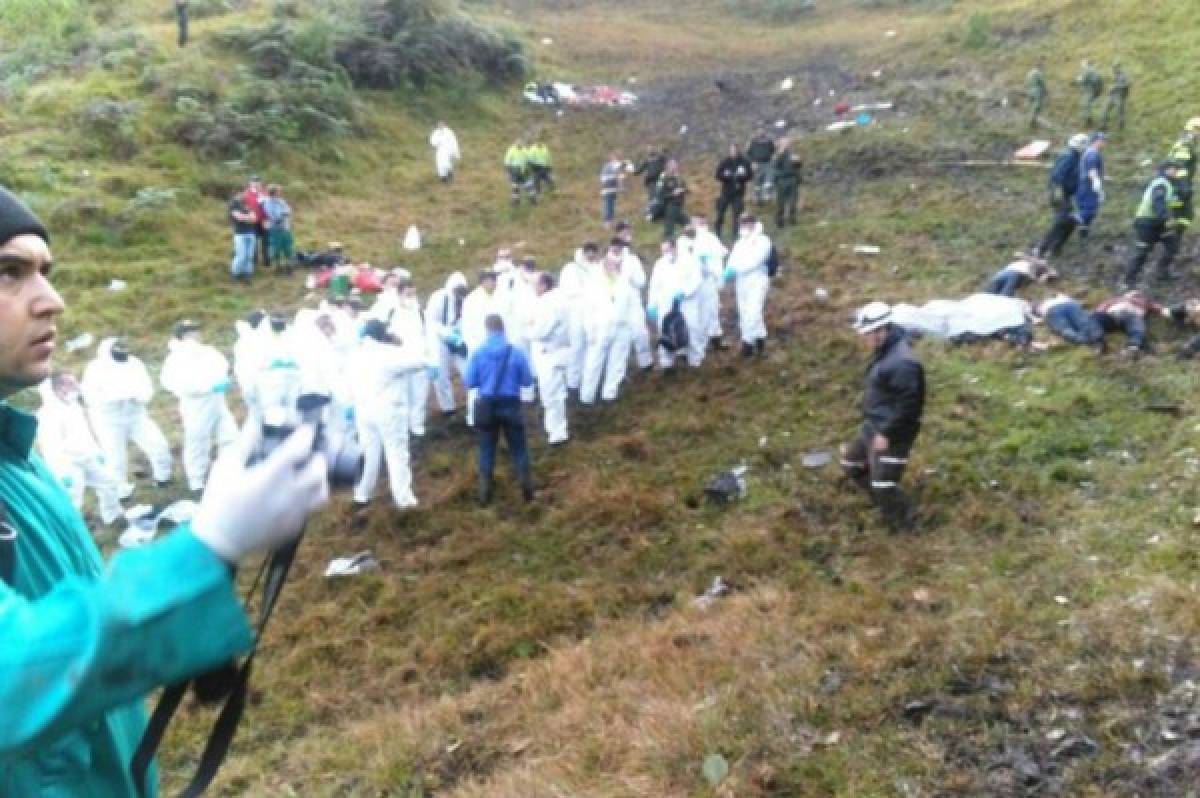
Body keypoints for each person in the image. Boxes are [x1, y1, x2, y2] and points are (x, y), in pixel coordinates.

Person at [0, 186, 329, 796]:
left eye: (45, 271)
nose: (52, 300)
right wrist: (208, 546)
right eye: (10, 272)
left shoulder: (17, 457)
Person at [841, 301, 925, 532]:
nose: (865, 338)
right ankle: (884, 503)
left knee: (884, 483)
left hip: (892, 433)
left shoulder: (903, 362)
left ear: (882, 331)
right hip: (873, 426)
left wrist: (887, 433)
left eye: (868, 333)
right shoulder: (885, 351)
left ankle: (906, 525)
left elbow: (910, 406)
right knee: (851, 464)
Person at [81, 337, 173, 496]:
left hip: (136, 415)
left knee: (159, 446)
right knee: (115, 459)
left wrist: (139, 396)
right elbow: (90, 397)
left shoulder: (134, 363)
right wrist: (118, 396)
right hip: (108, 421)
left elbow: (147, 388)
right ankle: (120, 491)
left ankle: (163, 478)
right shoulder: (95, 368)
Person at [351, 319, 424, 509]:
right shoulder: (388, 354)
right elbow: (419, 361)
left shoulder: (356, 354)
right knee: (397, 453)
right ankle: (404, 500)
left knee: (369, 454)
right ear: (383, 335)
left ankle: (362, 494)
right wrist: (400, 344)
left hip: (363, 410)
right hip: (388, 411)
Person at [159, 320, 238, 494]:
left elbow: (222, 366)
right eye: (192, 332)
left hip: (217, 402)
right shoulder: (175, 359)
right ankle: (197, 481)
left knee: (230, 437)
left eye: (197, 331)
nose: (197, 335)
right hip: (196, 407)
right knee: (198, 442)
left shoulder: (208, 352)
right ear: (183, 337)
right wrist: (209, 386)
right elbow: (176, 384)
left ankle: (228, 473)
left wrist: (223, 379)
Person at [36, 373, 124, 526]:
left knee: (109, 482)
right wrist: (61, 471)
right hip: (68, 464)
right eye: (70, 383)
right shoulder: (48, 414)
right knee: (73, 499)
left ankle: (113, 516)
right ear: (58, 388)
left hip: (88, 457)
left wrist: (97, 452)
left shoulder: (74, 406)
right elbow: (51, 446)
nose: (76, 386)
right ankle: (73, 530)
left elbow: (84, 433)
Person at [465, 314, 535, 504]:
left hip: (487, 405)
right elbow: (528, 381)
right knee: (519, 449)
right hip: (511, 404)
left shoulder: (478, 353)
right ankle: (527, 490)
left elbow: (469, 382)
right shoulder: (517, 352)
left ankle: (484, 495)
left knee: (486, 449)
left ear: (487, 330)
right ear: (503, 329)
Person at [580, 251, 639, 404]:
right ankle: (587, 396)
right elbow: (587, 308)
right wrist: (589, 331)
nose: (617, 266)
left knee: (617, 362)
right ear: (606, 264)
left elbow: (632, 306)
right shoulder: (593, 282)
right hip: (600, 327)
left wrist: (632, 327)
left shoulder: (624, 281)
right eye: (614, 264)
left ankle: (609, 394)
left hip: (621, 327)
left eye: (619, 264)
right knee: (593, 362)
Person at [1123, 161, 1187, 287]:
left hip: (1159, 223)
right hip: (1146, 222)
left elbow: (1169, 202)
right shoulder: (1160, 183)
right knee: (1142, 252)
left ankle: (1162, 272)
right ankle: (1128, 281)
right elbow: (1158, 202)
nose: (1176, 172)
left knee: (1172, 244)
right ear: (1166, 170)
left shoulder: (1168, 184)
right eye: (1174, 169)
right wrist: (1166, 218)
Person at [461, 269, 510, 425]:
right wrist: (476, 347)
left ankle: (497, 415)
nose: (492, 283)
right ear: (482, 282)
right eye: (489, 280)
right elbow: (467, 326)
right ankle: (474, 416)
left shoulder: (503, 297)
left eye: (494, 280)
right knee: (477, 384)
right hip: (479, 347)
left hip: (499, 347)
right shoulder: (472, 300)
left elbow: (508, 322)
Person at [648, 238, 705, 370]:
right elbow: (654, 285)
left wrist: (685, 292)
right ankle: (667, 363)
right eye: (663, 251)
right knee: (665, 332)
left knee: (692, 328)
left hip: (687, 302)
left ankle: (695, 360)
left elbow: (697, 279)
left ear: (675, 248)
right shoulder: (660, 264)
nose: (665, 253)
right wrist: (652, 304)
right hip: (665, 303)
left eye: (667, 250)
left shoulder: (690, 260)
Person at [529, 273, 570, 445]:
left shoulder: (548, 303)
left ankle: (556, 432)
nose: (533, 288)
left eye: (535, 285)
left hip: (549, 354)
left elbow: (540, 331)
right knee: (557, 393)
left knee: (551, 395)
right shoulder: (559, 299)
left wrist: (527, 330)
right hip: (559, 352)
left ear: (544, 285)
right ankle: (557, 429)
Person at [724, 214, 773, 357]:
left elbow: (755, 260)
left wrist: (737, 269)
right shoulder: (739, 242)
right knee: (744, 312)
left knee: (753, 311)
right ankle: (759, 341)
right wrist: (727, 271)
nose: (744, 226)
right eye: (742, 223)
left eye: (747, 223)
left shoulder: (763, 241)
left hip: (757, 280)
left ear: (754, 223)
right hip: (741, 281)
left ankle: (747, 343)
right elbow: (733, 259)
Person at [1032, 133, 1087, 258]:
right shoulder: (1069, 156)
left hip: (1068, 194)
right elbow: (1057, 176)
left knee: (1071, 221)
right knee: (1061, 221)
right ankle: (1041, 247)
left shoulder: (1077, 157)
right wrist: (1059, 194)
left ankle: (1055, 248)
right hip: (1060, 193)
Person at [425, 271, 469, 417]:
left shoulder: (466, 300)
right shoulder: (439, 298)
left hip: (459, 339)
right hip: (439, 339)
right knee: (441, 375)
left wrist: (462, 339)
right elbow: (431, 322)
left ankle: (476, 402)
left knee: (468, 370)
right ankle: (448, 408)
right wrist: (449, 336)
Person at [560, 242, 602, 391]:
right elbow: (567, 291)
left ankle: (587, 381)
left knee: (592, 347)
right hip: (576, 313)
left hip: (594, 314)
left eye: (593, 251)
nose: (590, 254)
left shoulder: (599, 268)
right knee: (576, 348)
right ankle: (573, 382)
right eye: (588, 251)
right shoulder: (571, 268)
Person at [613, 224, 654, 371]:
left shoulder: (632, 258)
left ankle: (646, 362)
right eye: (624, 233)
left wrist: (630, 278)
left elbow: (641, 281)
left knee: (639, 331)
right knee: (620, 334)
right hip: (616, 302)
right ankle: (620, 367)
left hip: (633, 300)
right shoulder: (607, 260)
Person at [252, 313, 303, 428]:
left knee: (293, 410)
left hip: (292, 378)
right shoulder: (260, 337)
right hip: (270, 380)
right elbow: (255, 361)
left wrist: (293, 362)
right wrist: (270, 364)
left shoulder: (289, 334)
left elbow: (300, 353)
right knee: (273, 412)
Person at [1093, 290, 1173, 358]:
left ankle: (1132, 347)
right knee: (1095, 319)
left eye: (1138, 295)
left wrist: (1176, 312)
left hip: (1130, 316)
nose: (1136, 296)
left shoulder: (1146, 303)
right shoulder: (1115, 300)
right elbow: (1099, 310)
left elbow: (1163, 310)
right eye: (1135, 294)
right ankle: (1099, 344)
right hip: (1112, 316)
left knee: (1137, 325)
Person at [690, 217, 729, 350]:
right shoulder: (696, 239)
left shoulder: (707, 238)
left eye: (695, 222)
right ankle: (709, 339)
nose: (693, 225)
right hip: (700, 281)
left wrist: (708, 265)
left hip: (708, 280)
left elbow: (720, 253)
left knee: (710, 310)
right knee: (706, 310)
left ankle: (713, 339)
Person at [1167, 118, 1200, 244]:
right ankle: (1168, 241)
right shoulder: (1185, 144)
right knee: (1179, 215)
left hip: (1181, 187)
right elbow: (1179, 167)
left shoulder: (1188, 143)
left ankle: (1174, 240)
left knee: (1186, 216)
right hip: (1178, 188)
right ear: (1193, 130)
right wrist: (1184, 187)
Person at [1032, 293, 1105, 349]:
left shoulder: (1040, 308)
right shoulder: (1055, 298)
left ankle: (1087, 342)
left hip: (1051, 311)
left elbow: (1050, 324)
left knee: (1065, 329)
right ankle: (1098, 339)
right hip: (1070, 303)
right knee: (1084, 322)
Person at [713, 144, 753, 240]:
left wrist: (742, 176)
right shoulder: (725, 162)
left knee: (737, 215)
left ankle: (735, 235)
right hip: (726, 192)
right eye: (731, 150)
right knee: (720, 213)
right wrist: (726, 176)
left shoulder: (744, 162)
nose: (733, 152)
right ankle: (717, 231)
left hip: (738, 193)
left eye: (735, 150)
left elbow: (750, 175)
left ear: (738, 150)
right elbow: (717, 175)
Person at [1075, 132, 1106, 239]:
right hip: (1088, 186)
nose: (1104, 143)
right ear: (1096, 141)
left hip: (1085, 185)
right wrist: (1097, 184)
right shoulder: (1093, 153)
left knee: (1087, 211)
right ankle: (1070, 220)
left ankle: (1083, 232)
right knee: (1089, 210)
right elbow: (1092, 171)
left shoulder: (1089, 152)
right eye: (1102, 141)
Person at [983, 252, 1055, 296]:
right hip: (1014, 273)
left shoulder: (1031, 279)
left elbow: (1022, 289)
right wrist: (1047, 271)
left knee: (990, 296)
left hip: (1002, 274)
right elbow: (1017, 254)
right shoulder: (1039, 265)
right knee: (1003, 298)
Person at [262, 184, 294, 274]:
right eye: (278, 192)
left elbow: (289, 210)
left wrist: (284, 213)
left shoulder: (281, 201)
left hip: (285, 228)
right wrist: (283, 214)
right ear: (273, 192)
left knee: (288, 248)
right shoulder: (267, 203)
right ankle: (278, 267)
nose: (279, 193)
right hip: (275, 229)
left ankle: (289, 267)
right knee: (276, 249)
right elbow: (274, 216)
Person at [771, 138, 802, 228]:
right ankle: (779, 220)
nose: (786, 144)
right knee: (781, 203)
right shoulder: (777, 154)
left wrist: (798, 161)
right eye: (784, 143)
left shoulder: (792, 153)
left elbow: (798, 166)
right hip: (781, 180)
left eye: (787, 143)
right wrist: (780, 154)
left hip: (792, 179)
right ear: (780, 144)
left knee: (793, 201)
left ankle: (792, 219)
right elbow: (775, 165)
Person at [655, 159, 689, 239]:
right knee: (669, 229)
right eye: (672, 166)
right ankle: (668, 246)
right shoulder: (663, 178)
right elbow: (660, 195)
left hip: (679, 207)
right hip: (669, 207)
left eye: (676, 165)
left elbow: (686, 188)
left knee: (688, 224)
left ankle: (687, 242)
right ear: (668, 167)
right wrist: (673, 194)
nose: (675, 167)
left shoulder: (679, 178)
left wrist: (684, 190)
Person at [228, 190, 257, 281]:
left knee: (249, 255)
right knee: (241, 255)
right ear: (236, 194)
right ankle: (235, 273)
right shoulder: (232, 204)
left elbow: (254, 218)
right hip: (239, 233)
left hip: (250, 232)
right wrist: (248, 217)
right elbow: (239, 217)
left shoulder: (247, 204)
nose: (242, 195)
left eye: (243, 193)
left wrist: (246, 217)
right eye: (240, 193)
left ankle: (247, 274)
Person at [243, 177, 268, 270]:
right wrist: (249, 214)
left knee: (266, 242)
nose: (256, 183)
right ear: (250, 183)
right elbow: (244, 207)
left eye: (258, 181)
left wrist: (268, 218)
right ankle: (255, 262)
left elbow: (269, 206)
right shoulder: (246, 194)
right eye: (254, 182)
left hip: (264, 221)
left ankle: (267, 261)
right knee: (254, 242)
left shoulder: (265, 193)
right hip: (253, 221)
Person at [746, 128, 776, 205]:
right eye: (759, 131)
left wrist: (773, 158)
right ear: (756, 133)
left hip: (767, 163)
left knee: (768, 180)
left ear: (765, 132)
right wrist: (752, 162)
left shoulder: (769, 141)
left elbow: (774, 151)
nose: (760, 133)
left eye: (762, 131)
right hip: (756, 164)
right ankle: (758, 199)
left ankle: (767, 195)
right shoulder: (752, 142)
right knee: (757, 183)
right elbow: (748, 154)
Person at [1100, 62, 1130, 132]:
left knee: (1120, 112)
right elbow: (1114, 84)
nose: (1114, 70)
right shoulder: (1116, 75)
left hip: (1120, 96)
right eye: (1113, 68)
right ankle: (1103, 125)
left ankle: (1120, 127)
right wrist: (1110, 89)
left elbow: (1127, 84)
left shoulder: (1124, 75)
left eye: (1115, 68)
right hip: (1112, 95)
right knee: (1105, 109)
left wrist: (1115, 87)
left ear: (1119, 67)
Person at [504, 139, 532, 206]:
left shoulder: (522, 150)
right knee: (516, 186)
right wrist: (508, 172)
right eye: (518, 144)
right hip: (516, 170)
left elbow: (528, 159)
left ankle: (531, 199)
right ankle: (516, 201)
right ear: (515, 144)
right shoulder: (512, 150)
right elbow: (507, 161)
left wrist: (508, 171)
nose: (519, 145)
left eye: (520, 144)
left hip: (521, 170)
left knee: (527, 185)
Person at [600, 152, 625, 227]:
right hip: (610, 188)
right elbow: (620, 177)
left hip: (606, 189)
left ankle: (608, 222)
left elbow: (602, 178)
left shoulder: (606, 166)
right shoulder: (616, 165)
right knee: (609, 205)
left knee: (609, 205)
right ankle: (607, 222)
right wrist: (621, 187)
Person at [1076, 59, 1103, 126]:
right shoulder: (1094, 69)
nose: (1081, 66)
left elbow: (1082, 80)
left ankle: (1088, 120)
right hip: (1096, 90)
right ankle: (1088, 118)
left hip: (1091, 90)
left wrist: (1077, 80)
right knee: (1086, 103)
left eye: (1082, 64)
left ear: (1085, 64)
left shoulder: (1087, 70)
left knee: (1085, 104)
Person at [1025, 62, 1046, 129]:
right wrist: (1045, 90)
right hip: (1036, 90)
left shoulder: (1029, 73)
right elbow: (1042, 82)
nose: (1043, 69)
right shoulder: (1038, 72)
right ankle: (1032, 120)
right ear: (1040, 67)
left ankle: (1030, 118)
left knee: (1031, 105)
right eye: (1043, 67)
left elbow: (1026, 82)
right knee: (1037, 106)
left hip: (1029, 90)